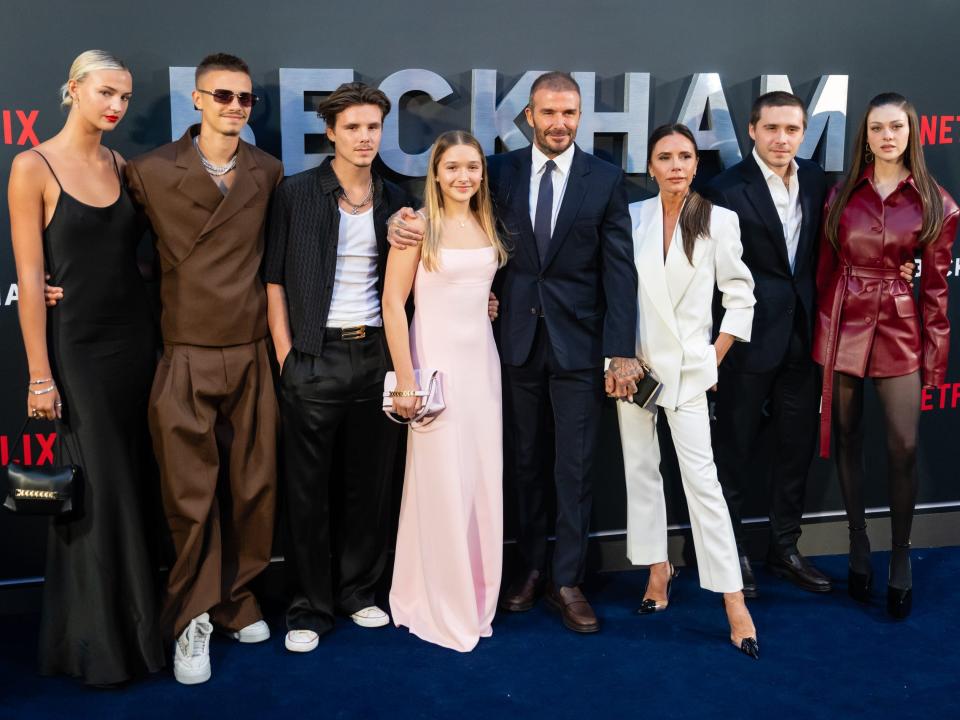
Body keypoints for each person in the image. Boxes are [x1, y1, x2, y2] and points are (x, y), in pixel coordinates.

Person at [389, 72, 641, 634]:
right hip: (511, 346)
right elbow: (448, 215)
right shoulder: (496, 172)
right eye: (548, 112)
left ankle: (567, 578)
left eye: (569, 113)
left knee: (573, 467)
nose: (559, 123)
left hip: (579, 347)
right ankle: (528, 567)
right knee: (524, 463)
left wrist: (621, 351)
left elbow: (619, 270)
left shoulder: (604, 179)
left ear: (580, 117)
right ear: (529, 116)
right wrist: (399, 221)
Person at [124, 53, 283, 684]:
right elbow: (114, 251)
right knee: (190, 498)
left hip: (249, 352)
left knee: (254, 489)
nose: (236, 107)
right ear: (196, 100)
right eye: (223, 96)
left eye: (246, 99)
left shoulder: (267, 171)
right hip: (184, 351)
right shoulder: (151, 171)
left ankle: (237, 600)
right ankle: (191, 616)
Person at [7, 49, 164, 686]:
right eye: (105, 93)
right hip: (77, 350)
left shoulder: (121, 164)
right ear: (73, 89)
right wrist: (39, 375)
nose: (116, 107)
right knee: (99, 493)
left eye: (124, 98)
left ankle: (136, 632)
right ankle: (98, 648)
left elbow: (138, 260)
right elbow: (28, 275)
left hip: (135, 345)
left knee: (132, 482)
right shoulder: (31, 165)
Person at [264, 82, 414, 654]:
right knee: (307, 492)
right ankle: (308, 607)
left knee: (369, 488)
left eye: (373, 127)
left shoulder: (398, 199)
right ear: (330, 132)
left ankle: (359, 594)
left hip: (374, 356)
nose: (364, 137)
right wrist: (286, 357)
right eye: (352, 127)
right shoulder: (297, 193)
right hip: (311, 357)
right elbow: (274, 281)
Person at [616, 124, 758, 659]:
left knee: (703, 483)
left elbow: (740, 295)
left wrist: (712, 358)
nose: (676, 165)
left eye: (685, 156)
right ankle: (657, 571)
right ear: (649, 166)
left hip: (691, 370)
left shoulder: (719, 220)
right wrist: (618, 359)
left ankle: (733, 600)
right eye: (664, 157)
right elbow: (618, 295)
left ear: (697, 164)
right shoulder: (633, 218)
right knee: (640, 470)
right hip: (635, 368)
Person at [814, 93, 958, 619]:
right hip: (844, 325)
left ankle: (900, 555)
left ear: (912, 133)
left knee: (903, 447)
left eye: (896, 127)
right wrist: (822, 336)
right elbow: (825, 272)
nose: (887, 136)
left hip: (899, 330)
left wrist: (935, 361)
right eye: (877, 128)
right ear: (866, 136)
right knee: (849, 439)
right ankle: (857, 542)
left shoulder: (936, 203)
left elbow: (938, 291)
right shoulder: (840, 196)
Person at [383, 130, 508, 652]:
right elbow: (392, 304)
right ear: (435, 172)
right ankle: (432, 597)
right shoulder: (415, 225)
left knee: (479, 479)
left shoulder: (486, 221)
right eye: (453, 167)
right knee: (439, 483)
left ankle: (476, 592)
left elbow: (475, 285)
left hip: (483, 367)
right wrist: (407, 379)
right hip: (433, 371)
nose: (464, 177)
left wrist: (487, 301)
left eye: (473, 167)